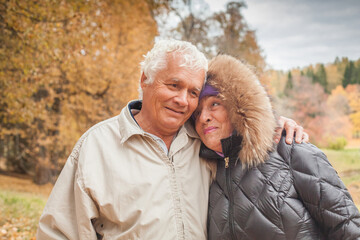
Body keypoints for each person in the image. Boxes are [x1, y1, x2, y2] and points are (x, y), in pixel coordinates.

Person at [37, 39, 306, 239]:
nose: (182, 100)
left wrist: (276, 124)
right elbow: (59, 233)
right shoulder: (97, 146)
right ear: (145, 79)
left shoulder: (204, 142)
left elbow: (242, 132)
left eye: (193, 92)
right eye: (174, 85)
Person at [193, 54, 360, 240]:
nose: (203, 118)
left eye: (214, 104)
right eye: (197, 112)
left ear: (239, 105)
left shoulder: (291, 149)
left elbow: (348, 229)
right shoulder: (206, 172)